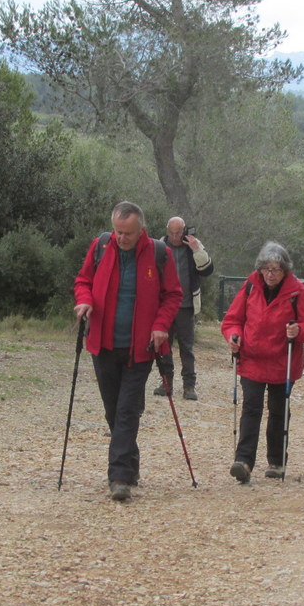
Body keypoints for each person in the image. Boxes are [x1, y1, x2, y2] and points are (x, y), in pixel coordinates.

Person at [74, 201, 183, 501]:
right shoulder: (101, 247)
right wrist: (84, 300)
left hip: (141, 348)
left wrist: (161, 325)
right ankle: (131, 465)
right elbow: (83, 280)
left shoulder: (160, 254)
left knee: (125, 410)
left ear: (142, 231)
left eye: (128, 233)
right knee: (114, 410)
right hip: (103, 345)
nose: (122, 238)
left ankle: (119, 477)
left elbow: (173, 295)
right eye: (118, 231)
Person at [221, 242, 304, 484]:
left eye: (276, 269)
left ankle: (276, 461)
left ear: (285, 270)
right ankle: (243, 461)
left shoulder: (297, 292)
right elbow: (232, 320)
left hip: (283, 361)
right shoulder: (250, 286)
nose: (270, 274)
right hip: (252, 360)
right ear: (259, 269)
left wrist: (298, 331)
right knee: (251, 409)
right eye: (266, 268)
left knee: (278, 412)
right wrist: (234, 337)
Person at [151, 216, 214, 401]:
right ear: (167, 230)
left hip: (186, 305)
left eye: (178, 232)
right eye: (171, 232)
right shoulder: (159, 246)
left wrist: (196, 249)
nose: (175, 236)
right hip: (165, 306)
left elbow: (207, 270)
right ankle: (166, 382)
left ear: (184, 230)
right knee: (164, 345)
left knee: (187, 347)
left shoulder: (193, 245)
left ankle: (189, 386)